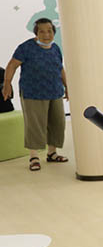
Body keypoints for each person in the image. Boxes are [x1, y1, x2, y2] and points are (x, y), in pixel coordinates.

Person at [3, 18, 69, 171]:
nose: (46, 34)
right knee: (35, 125)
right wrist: (7, 83)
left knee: (57, 123)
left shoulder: (55, 48)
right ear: (36, 33)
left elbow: (60, 68)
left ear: (54, 32)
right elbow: (12, 65)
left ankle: (52, 153)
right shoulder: (26, 48)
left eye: (49, 31)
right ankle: (33, 157)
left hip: (54, 91)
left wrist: (67, 86)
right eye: (42, 31)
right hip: (33, 92)